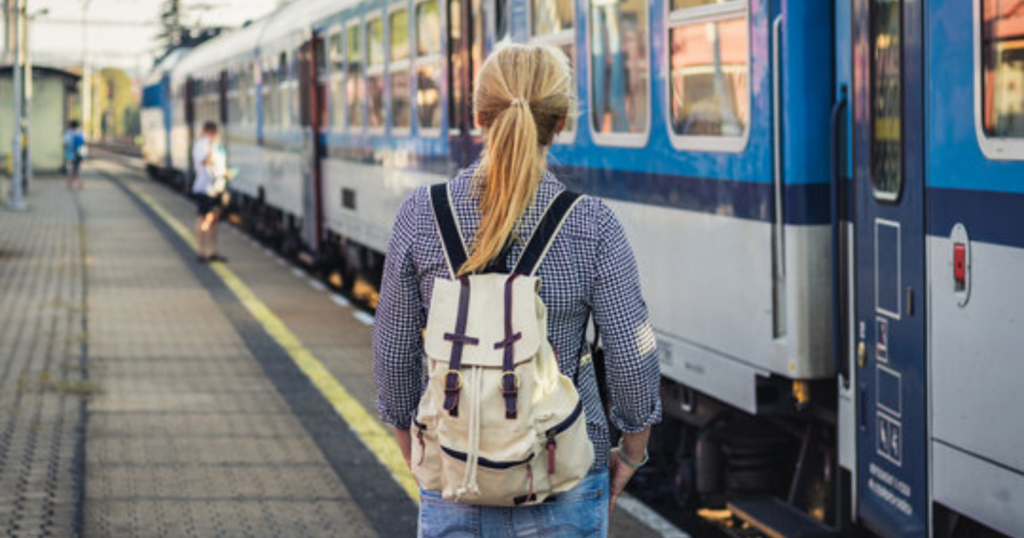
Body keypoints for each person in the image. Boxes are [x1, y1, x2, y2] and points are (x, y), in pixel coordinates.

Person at [373, 44, 662, 537]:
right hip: (562, 470)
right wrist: (633, 450)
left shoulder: (421, 214)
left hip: (455, 467)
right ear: (563, 122)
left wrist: (412, 440)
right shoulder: (592, 223)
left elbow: (395, 351)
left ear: (478, 116)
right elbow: (632, 354)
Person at [191, 122, 230, 263]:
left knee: (214, 220)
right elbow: (205, 163)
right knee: (203, 219)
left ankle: (213, 251)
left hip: (217, 188)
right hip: (204, 189)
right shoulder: (201, 146)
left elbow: (220, 165)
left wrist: (226, 173)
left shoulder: (219, 147)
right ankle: (201, 251)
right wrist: (211, 148)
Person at [63, 121, 86, 190]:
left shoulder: (69, 133)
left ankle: (77, 183)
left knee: (74, 169)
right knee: (75, 168)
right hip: (80, 154)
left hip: (72, 154)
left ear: (71, 126)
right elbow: (83, 143)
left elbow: (65, 143)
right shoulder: (80, 133)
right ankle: (70, 183)